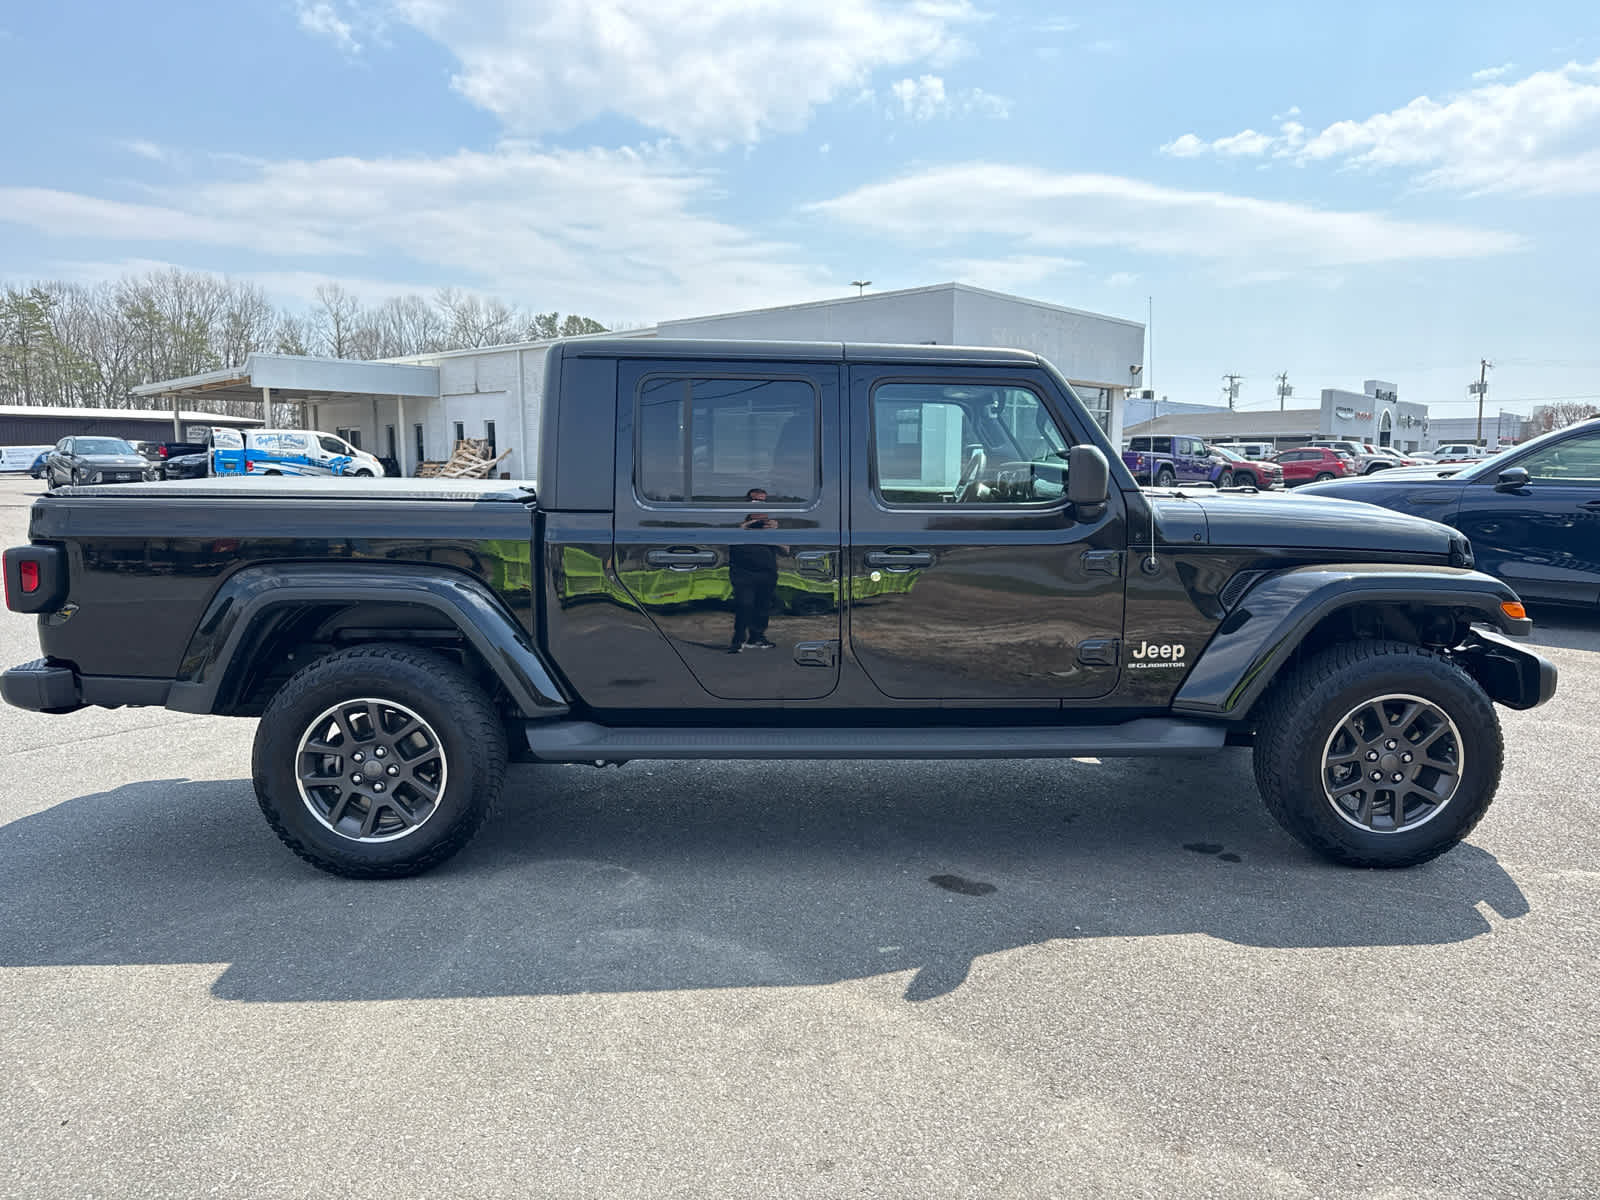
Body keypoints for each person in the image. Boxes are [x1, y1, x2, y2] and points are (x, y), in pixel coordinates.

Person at [729, 487, 781, 653]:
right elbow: (728, 543)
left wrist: (776, 533)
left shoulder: (772, 526)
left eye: (763, 502)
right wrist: (745, 527)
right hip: (743, 574)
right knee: (745, 604)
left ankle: (757, 637)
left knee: (763, 606)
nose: (759, 506)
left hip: (767, 573)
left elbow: (786, 550)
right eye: (755, 501)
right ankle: (738, 639)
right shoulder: (738, 525)